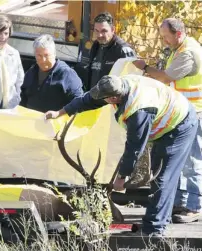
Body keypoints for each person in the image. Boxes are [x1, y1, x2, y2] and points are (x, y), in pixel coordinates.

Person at [45, 74, 198, 236]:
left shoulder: (139, 110)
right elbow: (88, 99)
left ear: (112, 98)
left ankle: (153, 231)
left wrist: (122, 176)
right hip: (164, 118)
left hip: (180, 124)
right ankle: (160, 219)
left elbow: (135, 147)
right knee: (159, 174)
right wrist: (60, 112)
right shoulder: (114, 84)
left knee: (163, 176)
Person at [133, 18, 202, 223]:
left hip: (196, 113)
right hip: (183, 113)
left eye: (166, 37)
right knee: (180, 160)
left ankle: (194, 206)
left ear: (178, 34)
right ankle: (180, 203)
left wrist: (145, 67)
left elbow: (165, 77)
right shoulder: (177, 48)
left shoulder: (188, 53)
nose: (164, 41)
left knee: (192, 161)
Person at [20, 34, 83, 112]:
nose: (43, 60)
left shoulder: (66, 74)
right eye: (39, 56)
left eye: (46, 55)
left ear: (54, 54)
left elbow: (79, 102)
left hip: (57, 122)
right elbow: (22, 97)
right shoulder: (31, 72)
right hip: (32, 120)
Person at [81, 12, 136, 91]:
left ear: (113, 29)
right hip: (93, 99)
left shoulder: (124, 50)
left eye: (104, 31)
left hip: (112, 101)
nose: (99, 35)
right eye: (96, 31)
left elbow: (132, 82)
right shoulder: (96, 45)